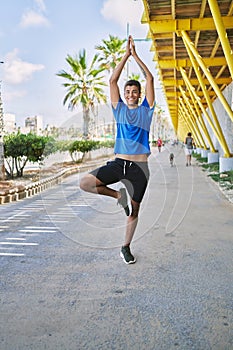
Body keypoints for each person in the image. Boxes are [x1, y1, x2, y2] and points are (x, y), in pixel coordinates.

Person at [80, 35, 155, 264]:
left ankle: (126, 247)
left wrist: (137, 56)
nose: (131, 94)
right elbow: (113, 81)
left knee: (134, 212)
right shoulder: (119, 110)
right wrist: (125, 55)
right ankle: (117, 195)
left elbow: (149, 78)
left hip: (140, 168)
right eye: (128, 92)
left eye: (135, 92)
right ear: (124, 95)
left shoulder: (147, 110)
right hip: (118, 163)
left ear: (140, 95)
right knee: (85, 183)